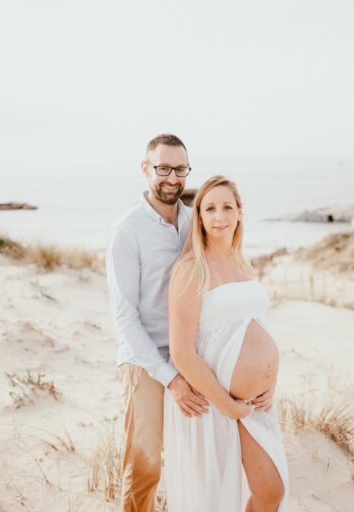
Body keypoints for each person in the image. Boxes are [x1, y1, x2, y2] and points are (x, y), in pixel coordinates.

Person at [164, 175, 289, 512]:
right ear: (199, 218)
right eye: (210, 209)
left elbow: (254, 324)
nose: (220, 216)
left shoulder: (241, 262)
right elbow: (182, 352)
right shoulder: (191, 269)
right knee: (215, 500)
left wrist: (270, 380)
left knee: (271, 491)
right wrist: (228, 405)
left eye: (227, 207)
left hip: (255, 403)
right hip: (212, 401)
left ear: (239, 213)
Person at [106, 134, 210, 512]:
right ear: (146, 169)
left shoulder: (195, 221)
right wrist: (170, 378)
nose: (172, 178)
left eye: (180, 169)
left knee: (198, 460)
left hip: (194, 355)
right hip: (145, 360)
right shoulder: (127, 230)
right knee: (145, 463)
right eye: (163, 168)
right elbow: (124, 315)